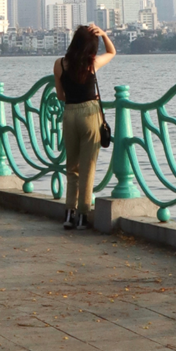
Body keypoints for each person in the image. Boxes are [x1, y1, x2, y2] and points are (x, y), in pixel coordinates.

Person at [53, 22, 116, 231]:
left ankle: (68, 214)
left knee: (72, 166)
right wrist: (104, 34)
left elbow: (61, 96)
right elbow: (112, 52)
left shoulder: (59, 64)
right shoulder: (92, 64)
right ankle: (82, 216)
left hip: (69, 114)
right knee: (88, 167)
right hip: (90, 114)